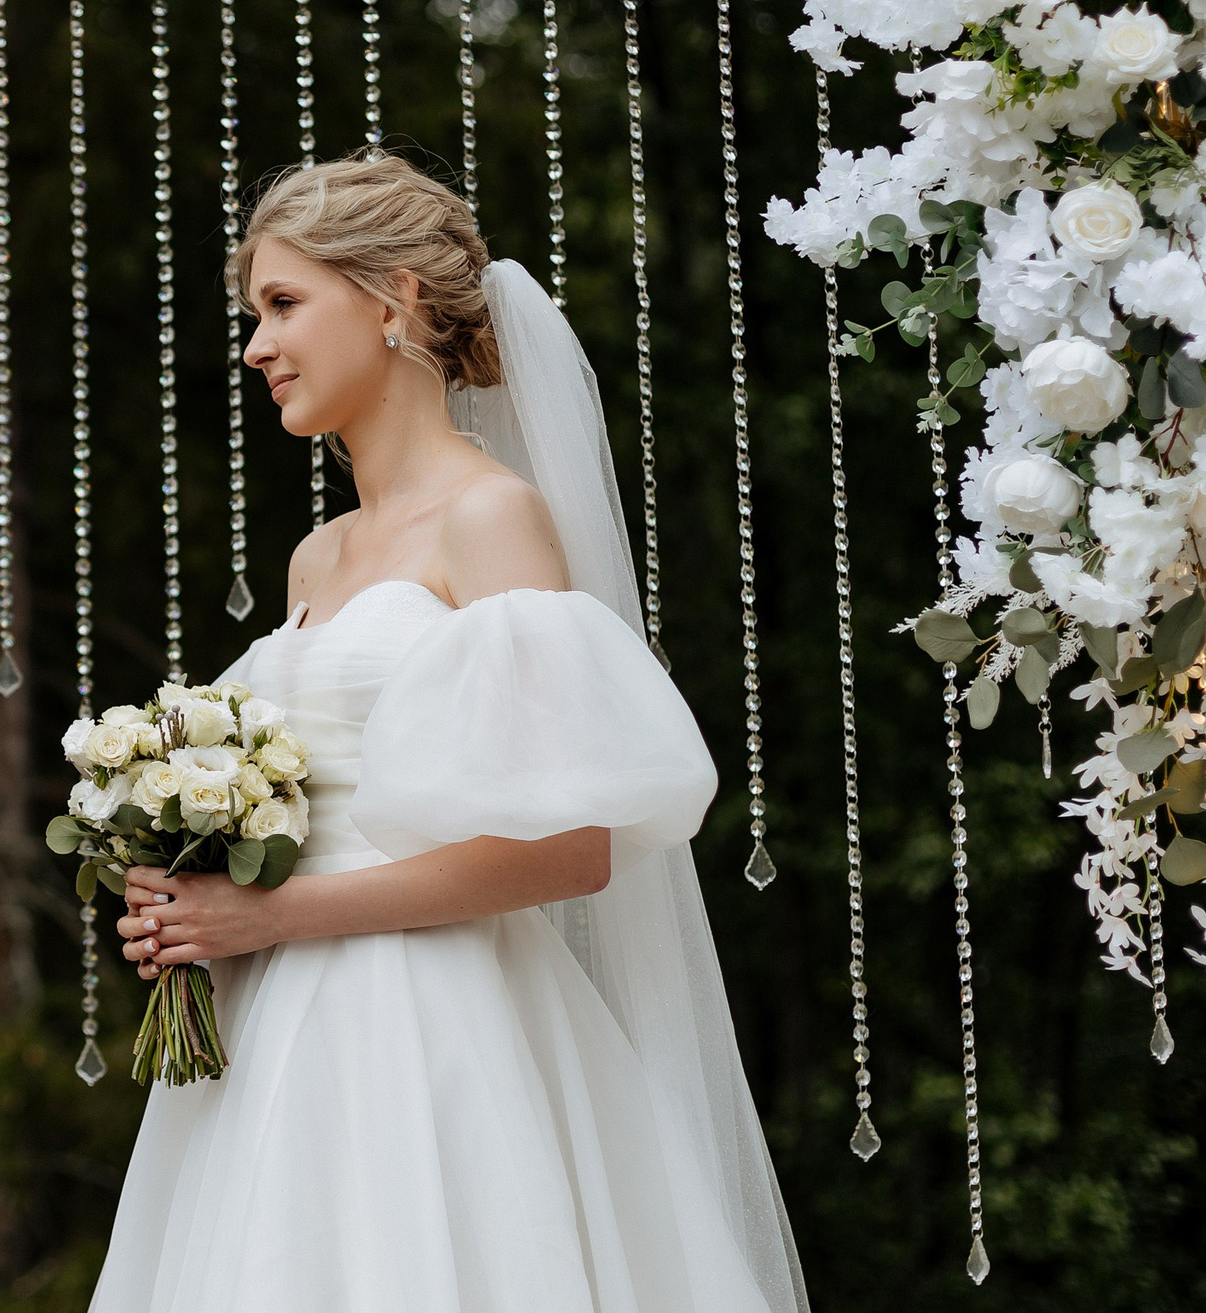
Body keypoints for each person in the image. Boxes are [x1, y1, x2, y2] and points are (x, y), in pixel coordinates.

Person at [90, 154, 806, 1313]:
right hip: (275, 1035)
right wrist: (191, 896)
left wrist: (267, 911)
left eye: (282, 305)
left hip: (431, 1029)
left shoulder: (491, 520)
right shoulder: (315, 558)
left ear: (391, 303)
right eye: (252, 316)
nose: (256, 347)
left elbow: (570, 851)